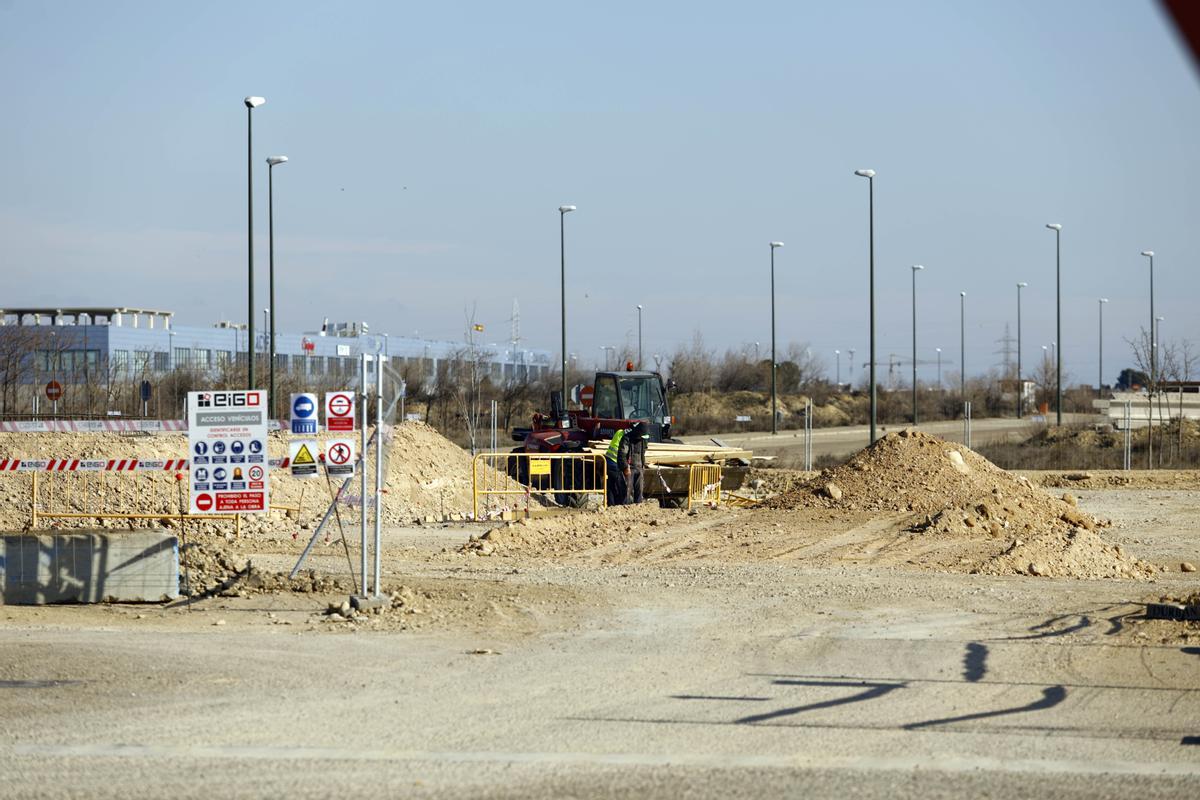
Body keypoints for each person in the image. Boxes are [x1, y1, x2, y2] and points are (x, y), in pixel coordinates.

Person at [618, 421, 650, 504]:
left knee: (639, 491)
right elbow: (622, 454)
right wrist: (625, 467)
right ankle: (625, 508)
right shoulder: (627, 438)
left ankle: (638, 509)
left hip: (639, 468)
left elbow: (643, 452)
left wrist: (643, 466)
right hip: (629, 468)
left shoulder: (643, 439)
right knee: (627, 492)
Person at [604, 426, 628, 506]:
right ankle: (620, 505)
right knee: (621, 487)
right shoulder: (627, 436)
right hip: (616, 463)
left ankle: (611, 505)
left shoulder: (619, 431)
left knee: (611, 486)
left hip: (608, 460)